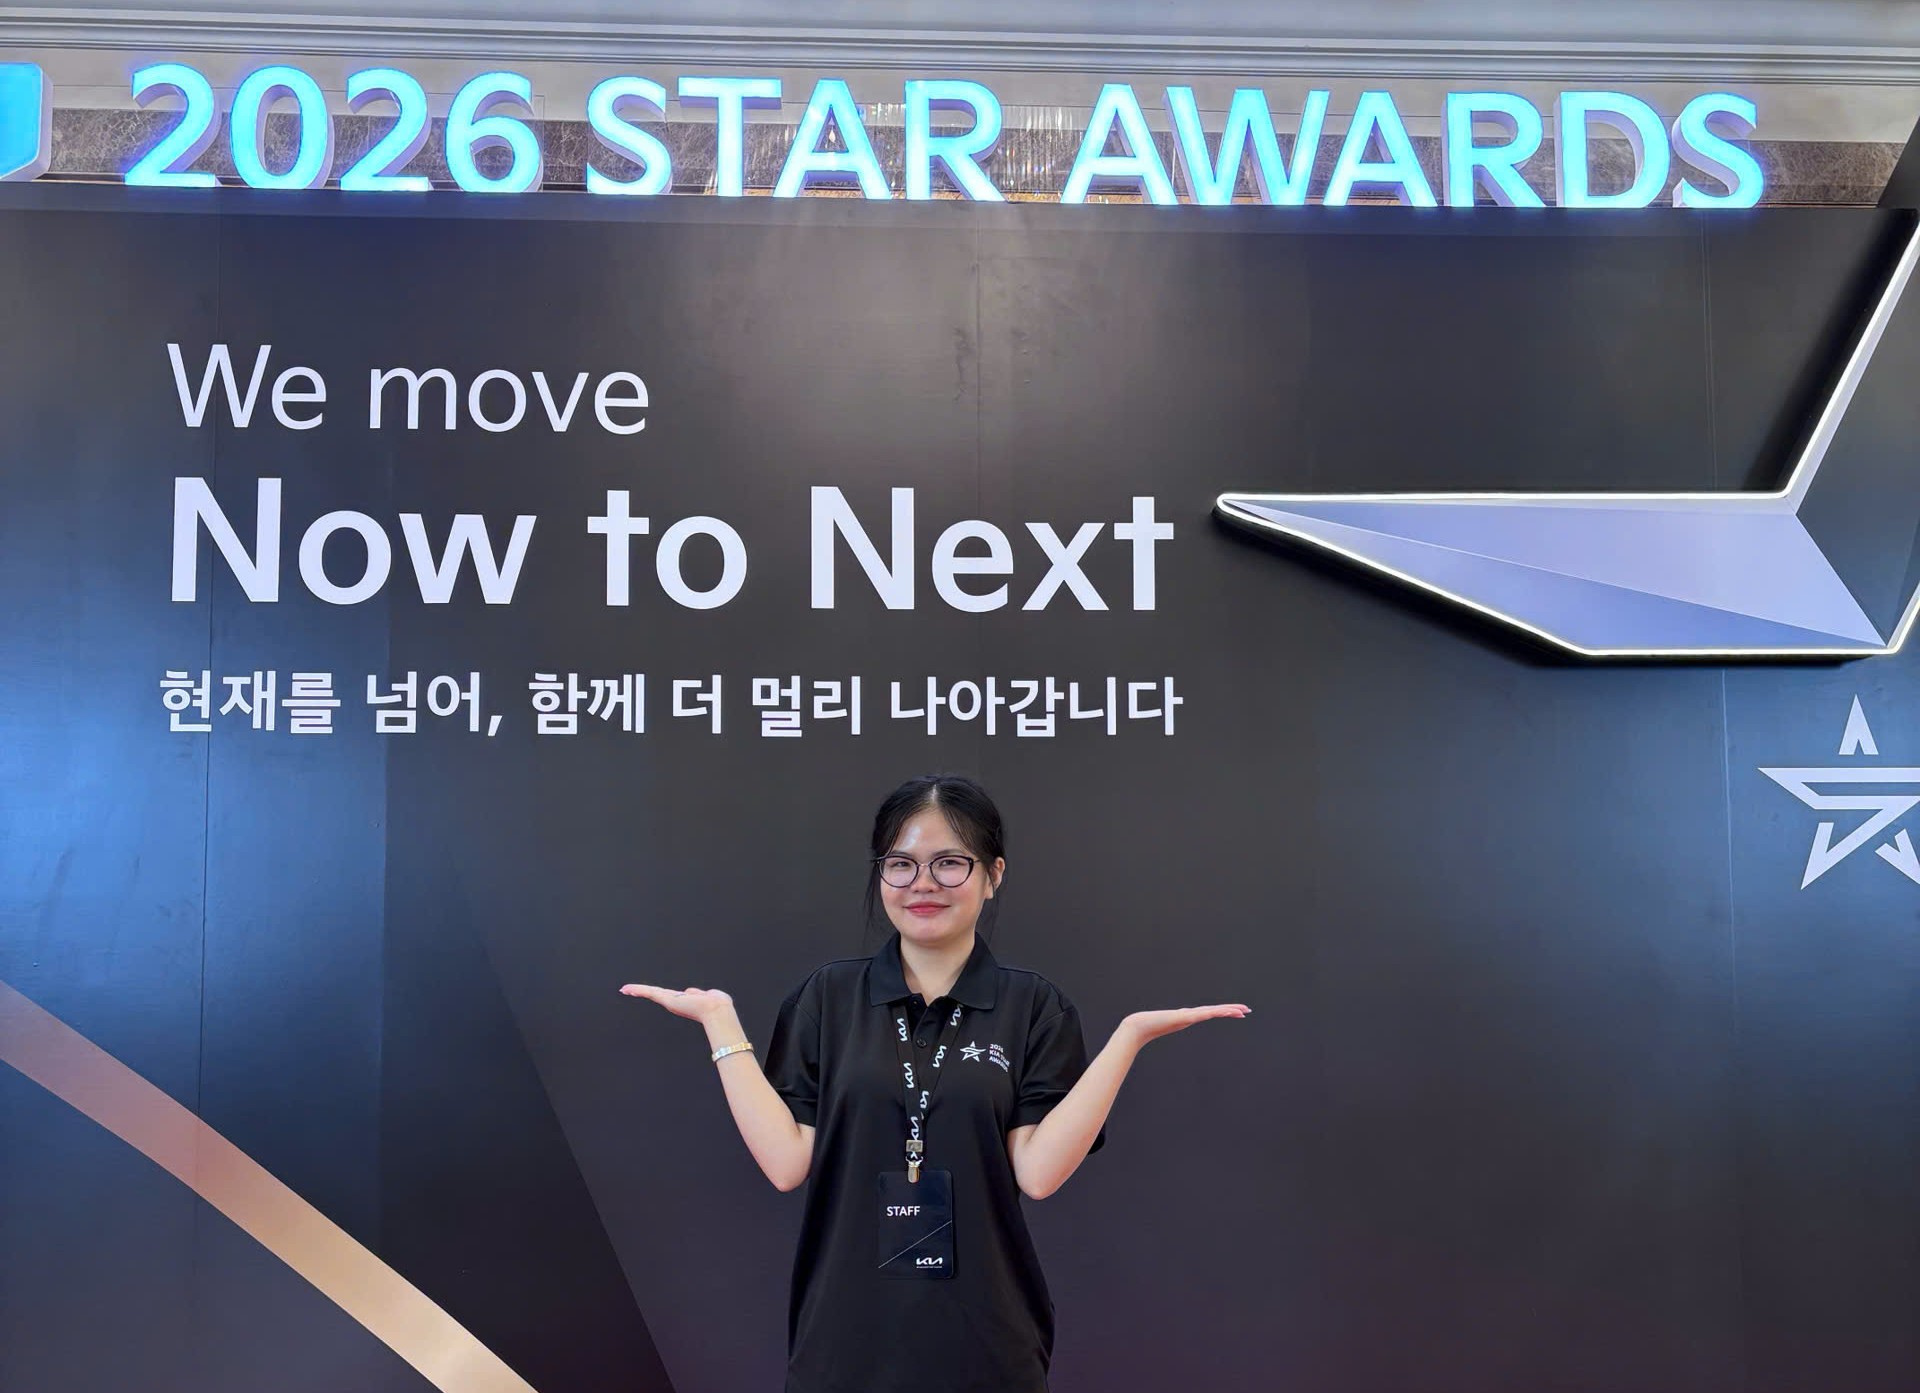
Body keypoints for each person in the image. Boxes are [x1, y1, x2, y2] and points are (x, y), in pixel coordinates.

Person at [620, 774, 1249, 1392]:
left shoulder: (1034, 1006)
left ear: (993, 875)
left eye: (950, 863)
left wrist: (1127, 1040)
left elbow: (1038, 1174)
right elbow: (786, 1163)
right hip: (844, 1337)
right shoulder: (828, 996)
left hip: (989, 1339)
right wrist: (720, 1022)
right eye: (901, 865)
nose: (922, 884)